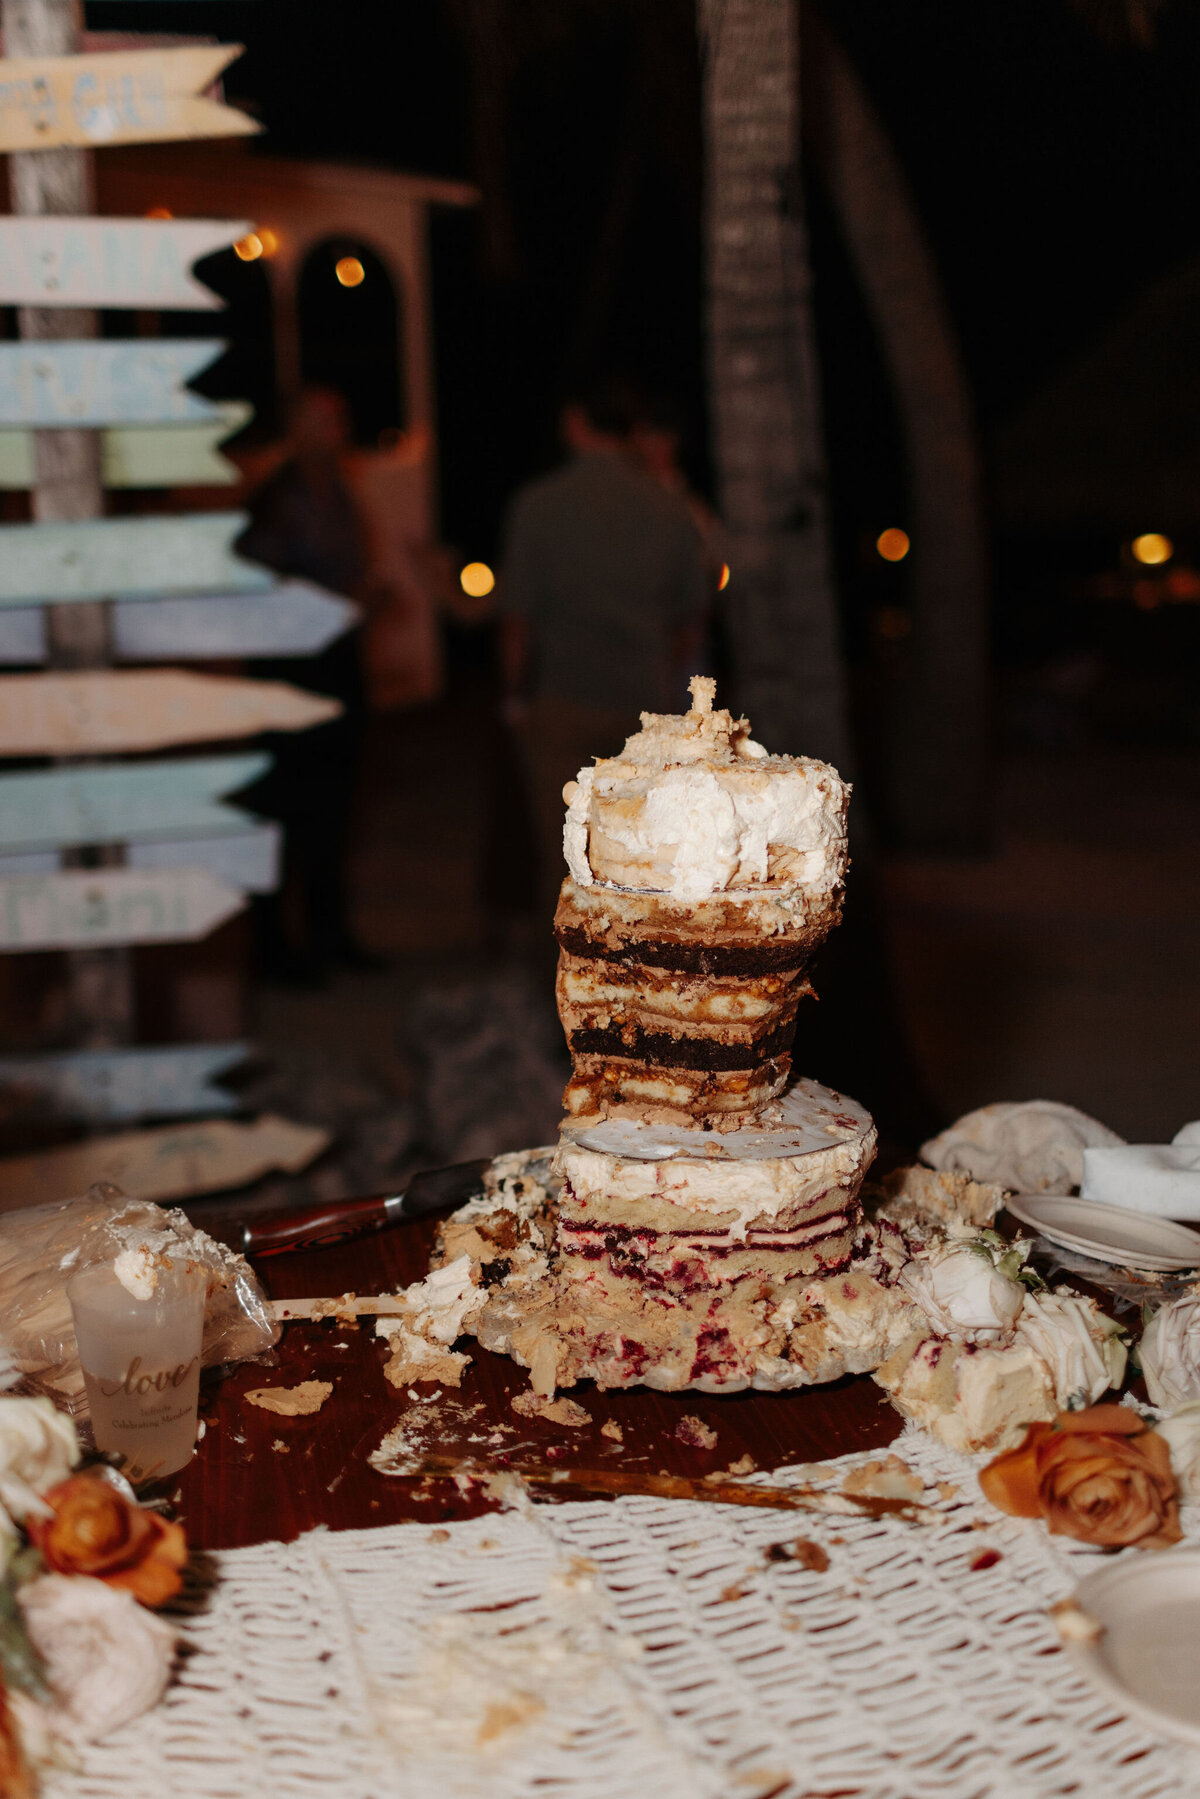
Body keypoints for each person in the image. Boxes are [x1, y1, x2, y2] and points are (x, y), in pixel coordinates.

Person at [499, 380, 709, 927]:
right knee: (636, 859)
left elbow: (519, 620)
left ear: (575, 423)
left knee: (565, 859)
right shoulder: (669, 508)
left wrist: (515, 696)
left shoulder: (539, 505)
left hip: (562, 701)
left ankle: (567, 972)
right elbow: (691, 618)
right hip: (641, 707)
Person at [237, 385, 383, 985]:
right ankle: (275, 951)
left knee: (334, 807)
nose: (339, 432)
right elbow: (260, 590)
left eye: (341, 420)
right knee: (285, 810)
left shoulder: (340, 492)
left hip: (337, 667)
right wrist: (335, 603)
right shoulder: (274, 501)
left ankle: (329, 935)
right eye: (326, 422)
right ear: (297, 430)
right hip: (289, 675)